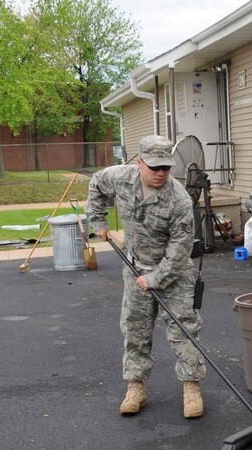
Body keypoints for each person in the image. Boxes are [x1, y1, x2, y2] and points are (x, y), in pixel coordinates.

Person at [86, 135, 206, 419]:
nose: (162, 173)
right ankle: (135, 387)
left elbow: (180, 250)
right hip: (136, 266)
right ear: (138, 162)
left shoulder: (178, 199)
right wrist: (99, 221)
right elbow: (95, 185)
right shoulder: (120, 178)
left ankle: (191, 387)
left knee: (183, 330)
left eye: (166, 167)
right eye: (155, 168)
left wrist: (154, 279)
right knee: (135, 329)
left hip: (173, 273)